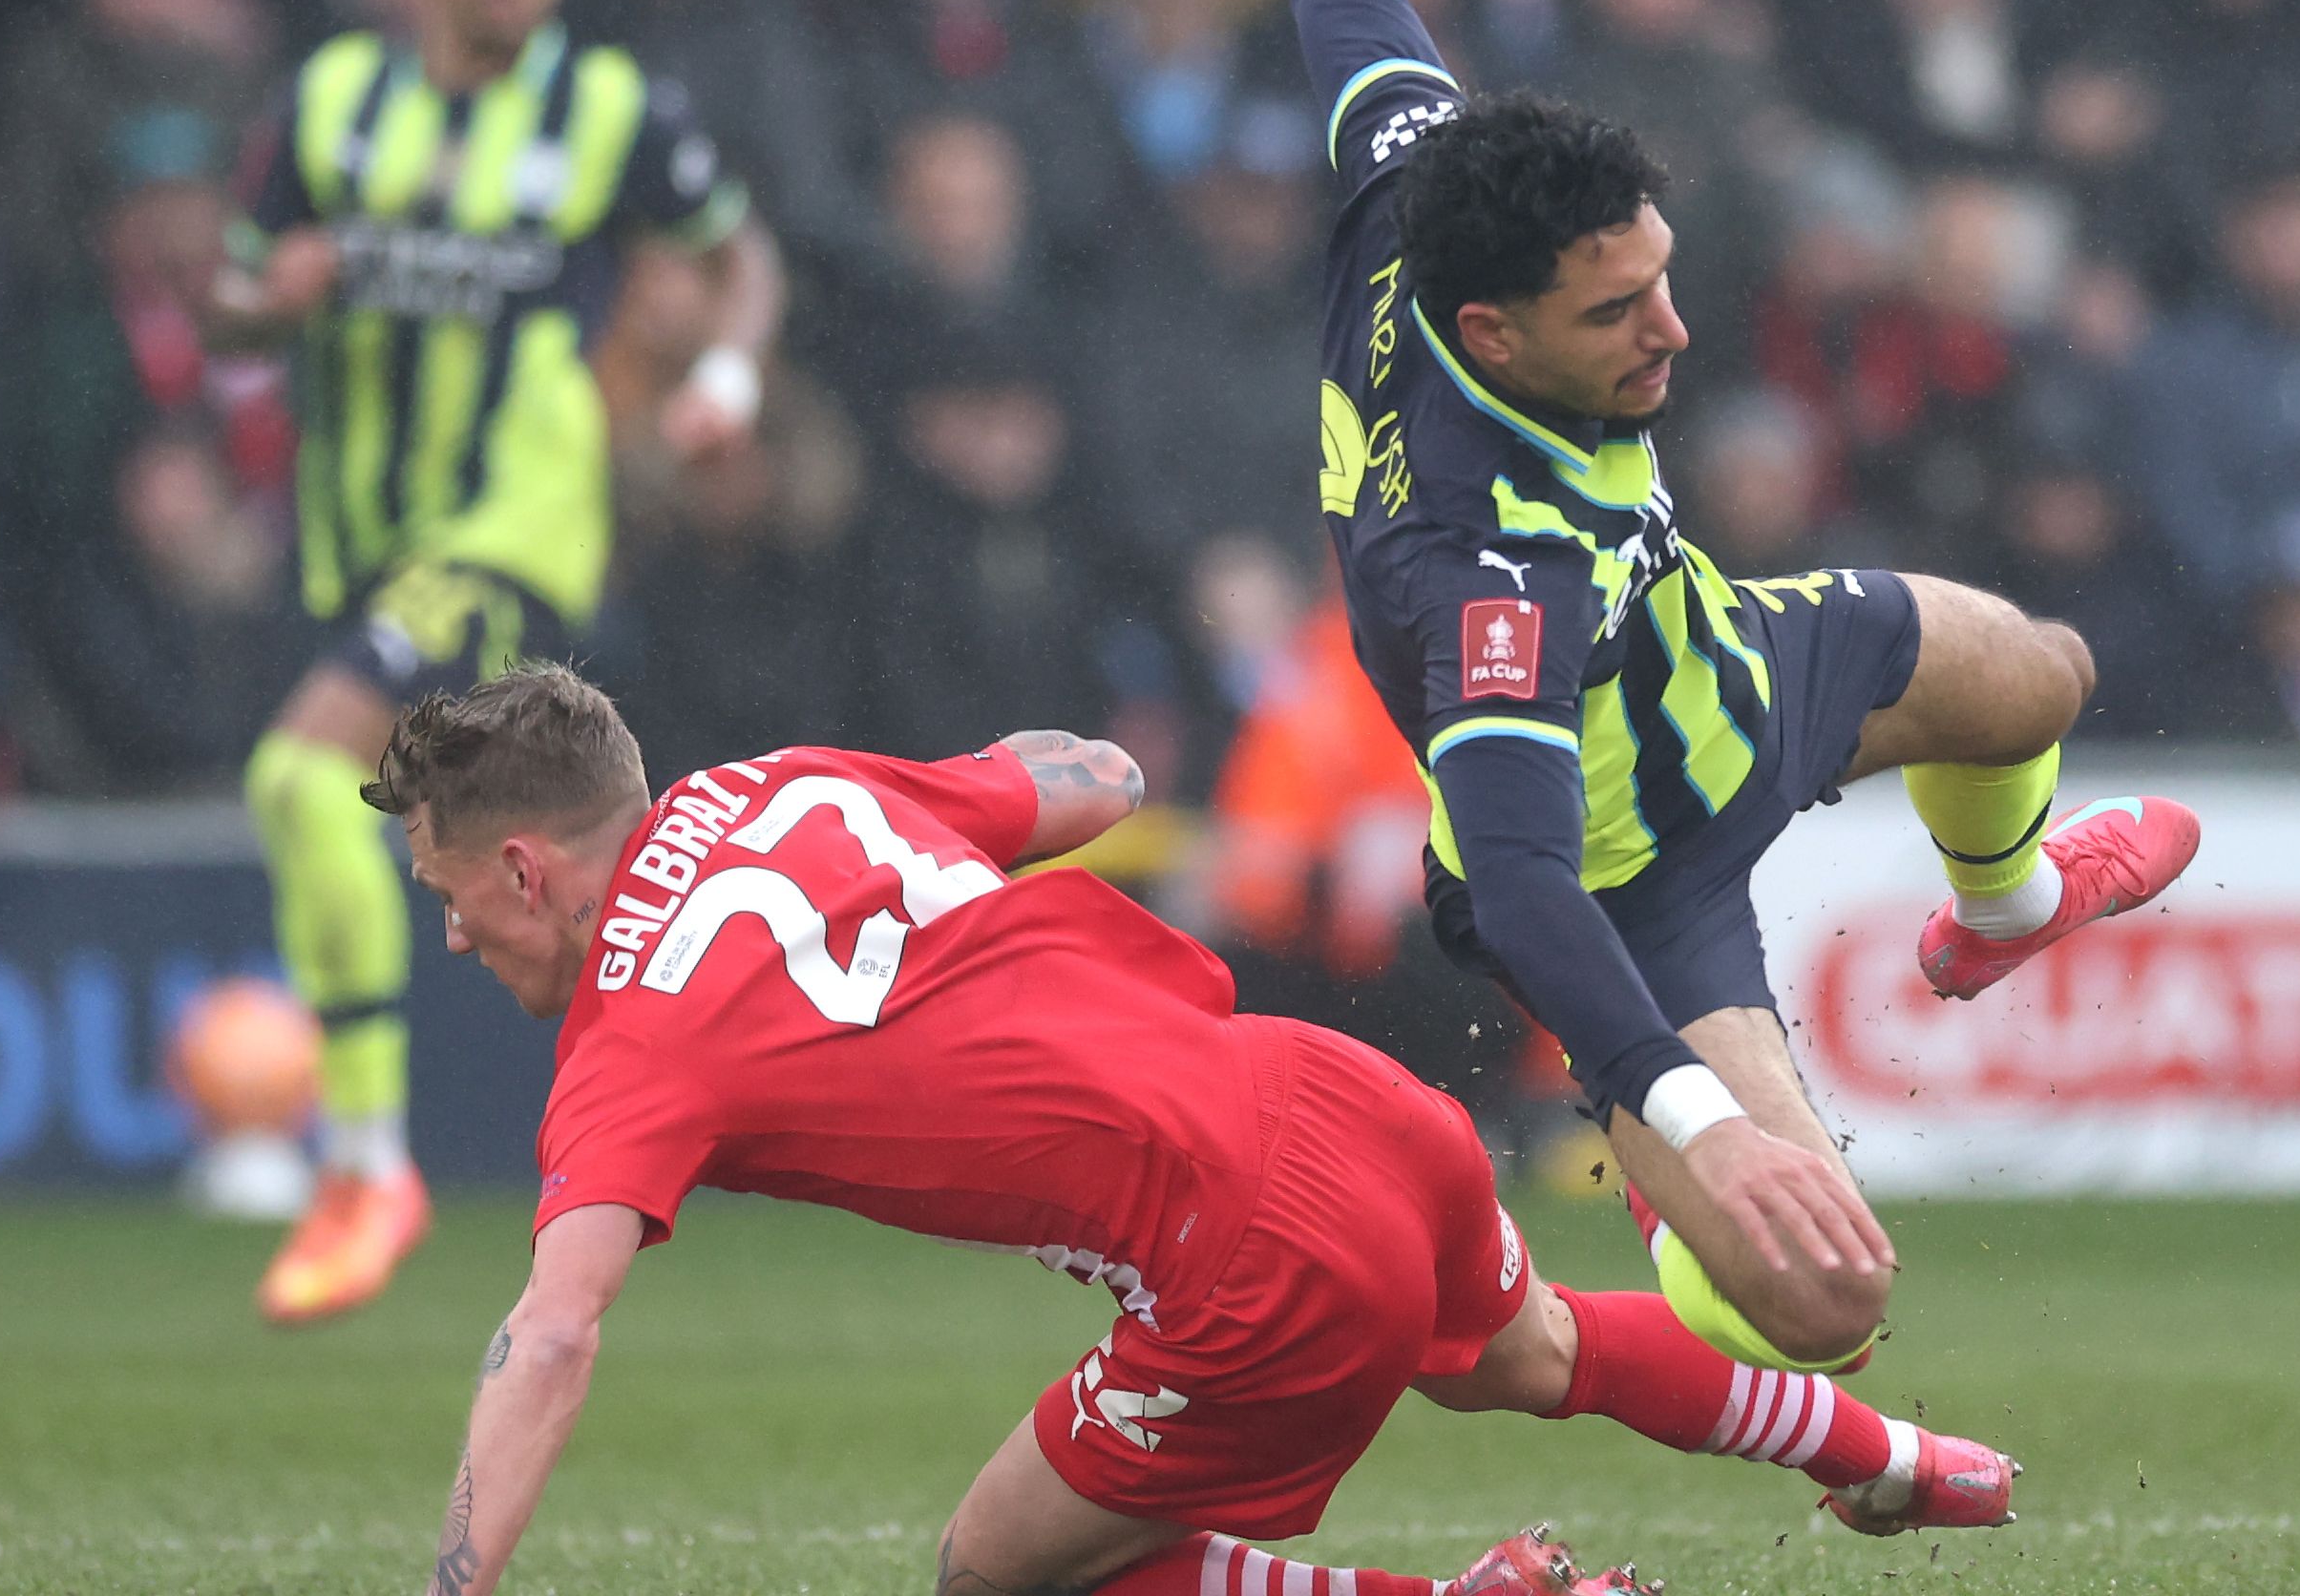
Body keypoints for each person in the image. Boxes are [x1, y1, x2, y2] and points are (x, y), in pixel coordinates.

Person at [1292, 0, 2202, 1380]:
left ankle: (1996, 920)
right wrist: (1688, 1119)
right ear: (1491, 339)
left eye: (1662, 275)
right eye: (1618, 311)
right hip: (1635, 890)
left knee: (2044, 673)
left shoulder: (1414, 164)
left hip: (1723, 655)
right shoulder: (1492, 579)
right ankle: (1665, 1204)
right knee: (1829, 1307)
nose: (1674, 333)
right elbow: (1520, 884)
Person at [376, 664, 2020, 1596]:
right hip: (1340, 1101)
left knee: (996, 1579)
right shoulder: (783, 785)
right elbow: (1076, 776)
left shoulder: (633, 1038)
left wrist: (454, 1590)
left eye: (453, 900)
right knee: (1522, 1348)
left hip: (1241, 1252)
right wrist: (1044, 780)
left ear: (528, 866)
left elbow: (553, 1331)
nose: (457, 939)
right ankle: (1915, 1465)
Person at [199, 0, 787, 1327]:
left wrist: (723, 373)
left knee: (292, 775)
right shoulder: (333, 103)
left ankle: (364, 1164)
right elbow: (225, 306)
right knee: (497, 857)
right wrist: (271, 302)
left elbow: (740, 259)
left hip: (514, 525)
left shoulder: (610, 111)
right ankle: (718, 1077)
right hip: (357, 539)